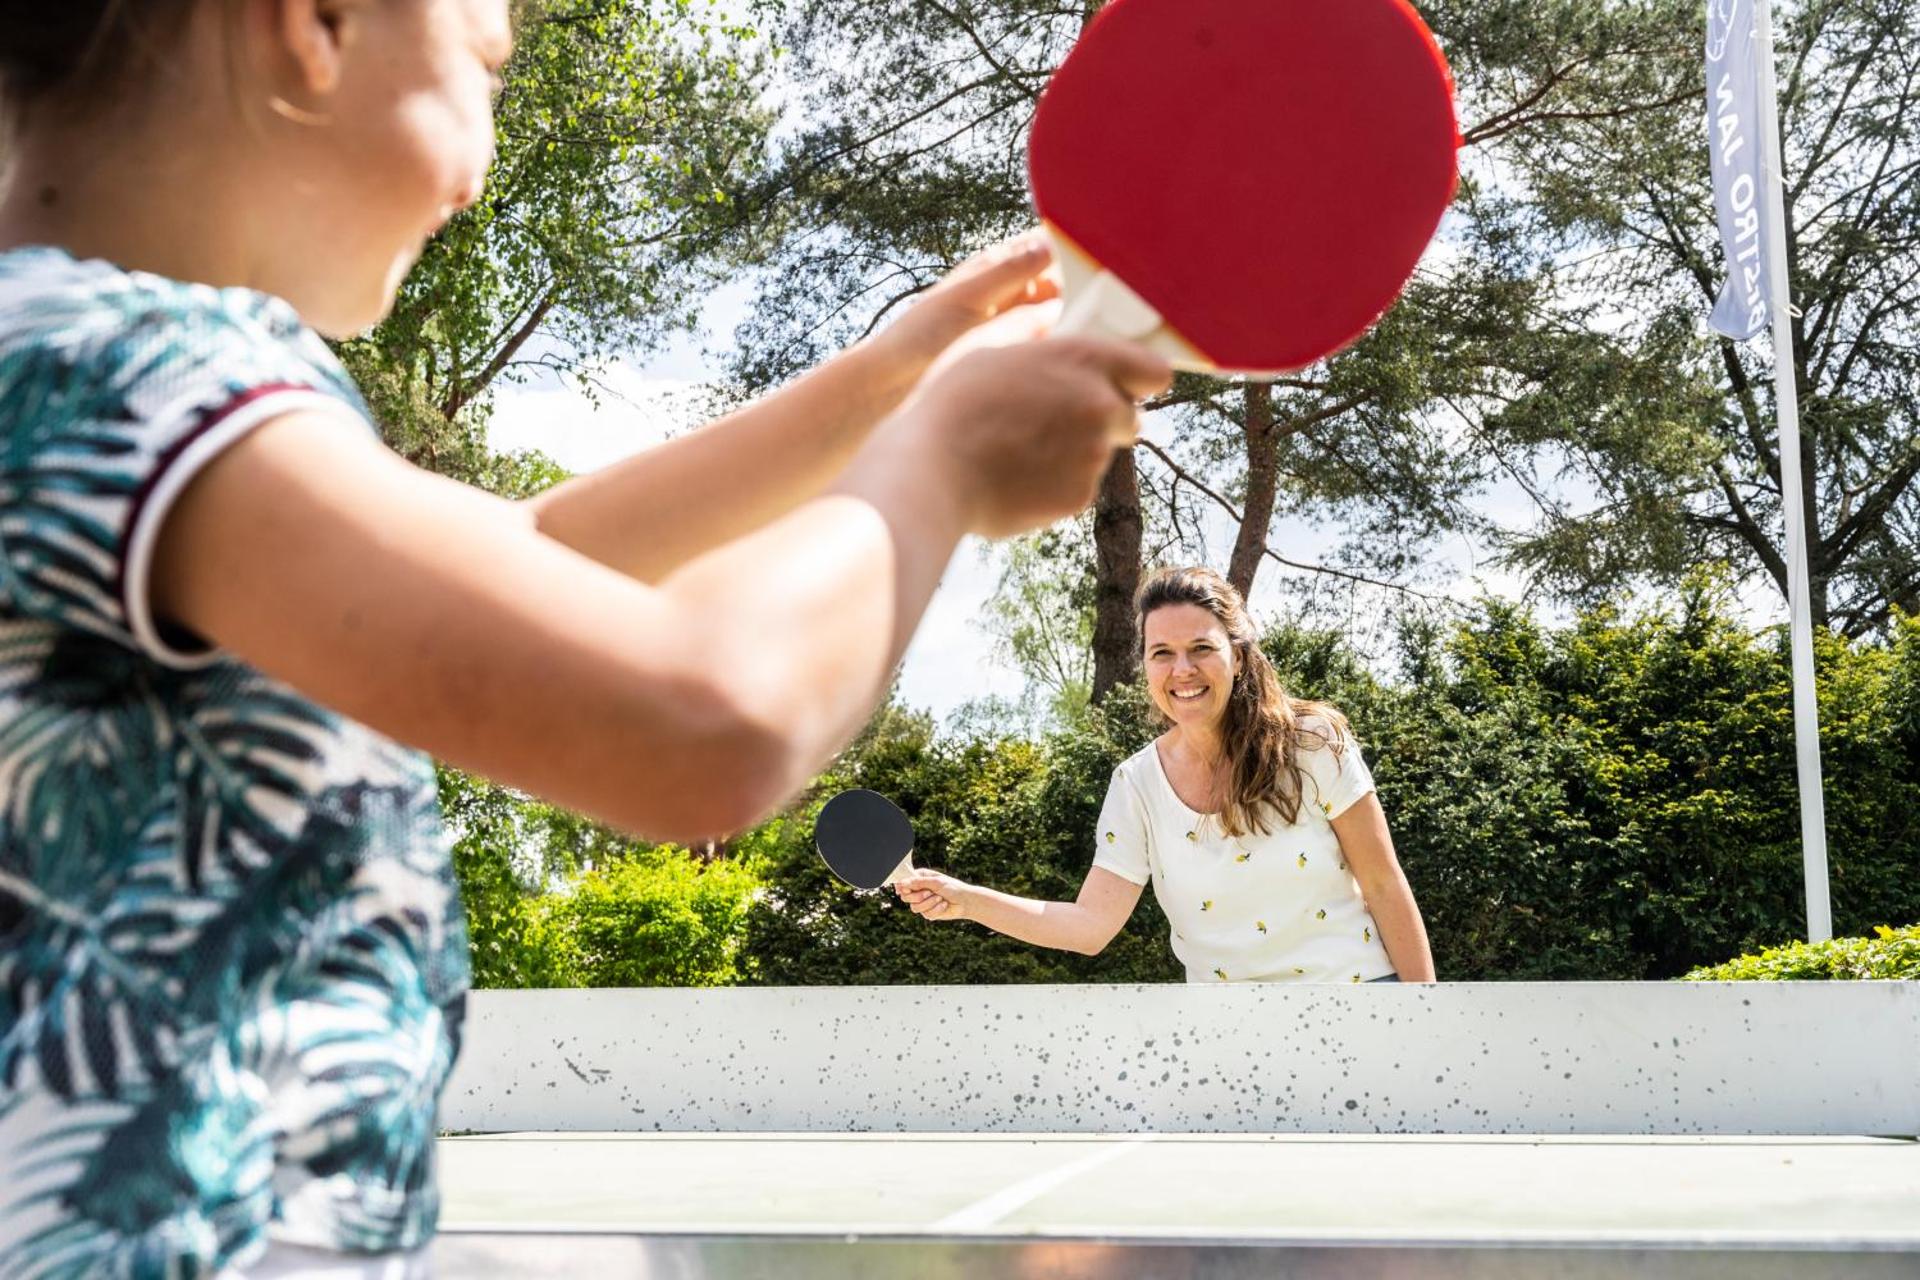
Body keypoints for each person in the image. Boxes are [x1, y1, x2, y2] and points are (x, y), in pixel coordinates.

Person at [0, 2, 1172, 1275]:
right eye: (489, 67)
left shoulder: (61, 354)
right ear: (316, 24)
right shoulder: (139, 372)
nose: (488, 144)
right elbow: (704, 722)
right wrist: (941, 460)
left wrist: (890, 377)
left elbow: (525, 561)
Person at [896, 566, 1436, 985]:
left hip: (1361, 1006)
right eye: (1163, 653)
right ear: (1147, 667)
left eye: (1202, 648)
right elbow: (1089, 927)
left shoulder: (1314, 743)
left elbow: (1384, 884)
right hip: (1226, 1041)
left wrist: (1423, 1018)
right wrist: (966, 900)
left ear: (1239, 658)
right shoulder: (1136, 786)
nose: (1183, 670)